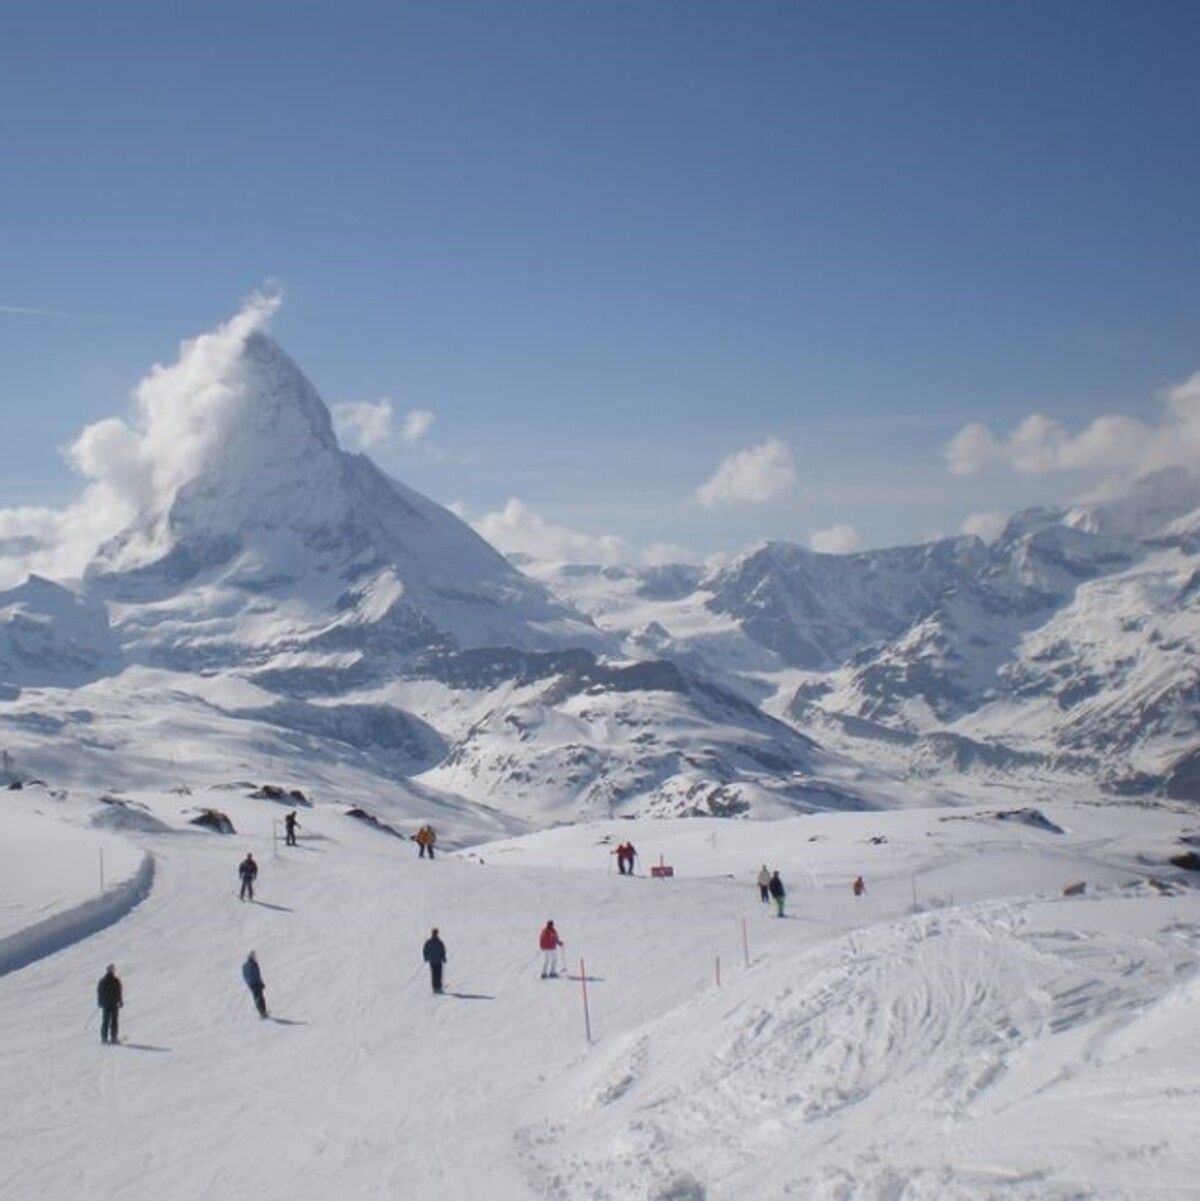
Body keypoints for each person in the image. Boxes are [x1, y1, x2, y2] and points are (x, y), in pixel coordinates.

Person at [97, 963, 123, 1044]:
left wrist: (100, 1001)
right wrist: (120, 1001)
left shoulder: (102, 980)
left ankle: (104, 1038)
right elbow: (119, 992)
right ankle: (113, 1038)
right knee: (114, 1021)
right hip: (113, 1003)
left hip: (106, 1004)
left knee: (105, 1020)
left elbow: (99, 992)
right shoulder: (116, 980)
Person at [242, 951, 268, 1018]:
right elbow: (257, 974)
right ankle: (263, 1012)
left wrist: (248, 982)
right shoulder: (254, 964)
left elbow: (244, 975)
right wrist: (261, 982)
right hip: (256, 983)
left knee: (256, 997)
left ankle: (261, 1011)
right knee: (260, 997)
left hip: (251, 984)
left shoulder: (244, 966)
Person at [422, 927, 447, 994]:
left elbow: (442, 950)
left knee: (436, 974)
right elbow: (425, 950)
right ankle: (436, 987)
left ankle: (437, 987)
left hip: (435, 960)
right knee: (436, 974)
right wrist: (426, 957)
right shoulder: (437, 942)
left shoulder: (432, 942)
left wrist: (426, 957)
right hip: (435, 960)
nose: (435, 934)